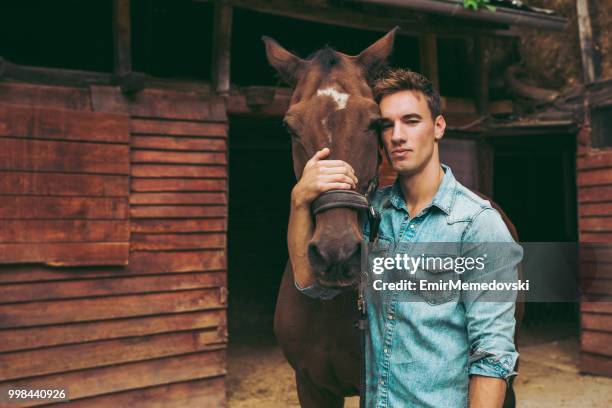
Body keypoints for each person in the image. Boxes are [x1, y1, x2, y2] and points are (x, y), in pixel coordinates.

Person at [287, 68, 521, 407]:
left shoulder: (479, 225)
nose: (397, 136)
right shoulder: (372, 216)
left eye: (411, 121)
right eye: (386, 125)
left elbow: (492, 356)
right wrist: (300, 199)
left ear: (438, 127)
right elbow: (309, 283)